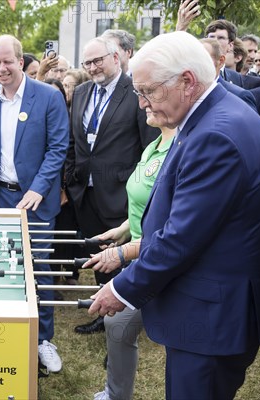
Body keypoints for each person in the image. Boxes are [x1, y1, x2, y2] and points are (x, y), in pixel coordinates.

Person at [89, 31, 260, 400]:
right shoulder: (214, 116)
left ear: (187, 81)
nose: (142, 104)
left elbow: (181, 238)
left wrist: (121, 287)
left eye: (148, 91)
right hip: (211, 309)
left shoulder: (216, 134)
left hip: (211, 320)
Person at [0, 35, 69, 373]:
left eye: (8, 61)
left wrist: (40, 188)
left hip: (36, 199)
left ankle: (43, 339)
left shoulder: (48, 97)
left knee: (38, 269)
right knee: (2, 267)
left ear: (21, 60)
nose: (2, 68)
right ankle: (8, 333)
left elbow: (58, 147)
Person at [65, 37, 159, 335]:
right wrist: (70, 179)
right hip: (86, 191)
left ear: (116, 58)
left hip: (120, 193)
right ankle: (103, 313)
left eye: (98, 60)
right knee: (99, 255)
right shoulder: (81, 92)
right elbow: (73, 140)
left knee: (123, 258)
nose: (92, 67)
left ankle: (124, 324)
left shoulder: (134, 91)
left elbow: (149, 143)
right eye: (87, 63)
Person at [84, 121, 176, 400]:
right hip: (143, 254)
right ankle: (116, 394)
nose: (144, 103)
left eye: (149, 93)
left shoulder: (182, 148)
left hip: (161, 259)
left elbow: (173, 228)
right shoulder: (153, 146)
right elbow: (147, 205)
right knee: (117, 324)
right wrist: (123, 230)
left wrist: (123, 252)